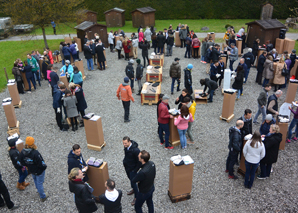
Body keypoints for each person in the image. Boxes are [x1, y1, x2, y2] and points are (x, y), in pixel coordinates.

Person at [20, 136, 48, 202]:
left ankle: (38, 190)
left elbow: (22, 162)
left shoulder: (22, 152)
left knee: (35, 180)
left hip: (31, 170)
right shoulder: (35, 153)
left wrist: (28, 165)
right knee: (40, 183)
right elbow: (40, 163)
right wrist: (44, 167)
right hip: (39, 171)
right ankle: (43, 196)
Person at [122, 136, 141, 206]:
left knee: (133, 182)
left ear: (129, 142)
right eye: (123, 143)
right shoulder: (126, 147)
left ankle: (136, 196)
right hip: (127, 167)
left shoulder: (136, 150)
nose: (124, 145)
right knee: (130, 179)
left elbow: (139, 162)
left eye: (125, 143)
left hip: (132, 169)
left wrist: (135, 170)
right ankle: (134, 189)